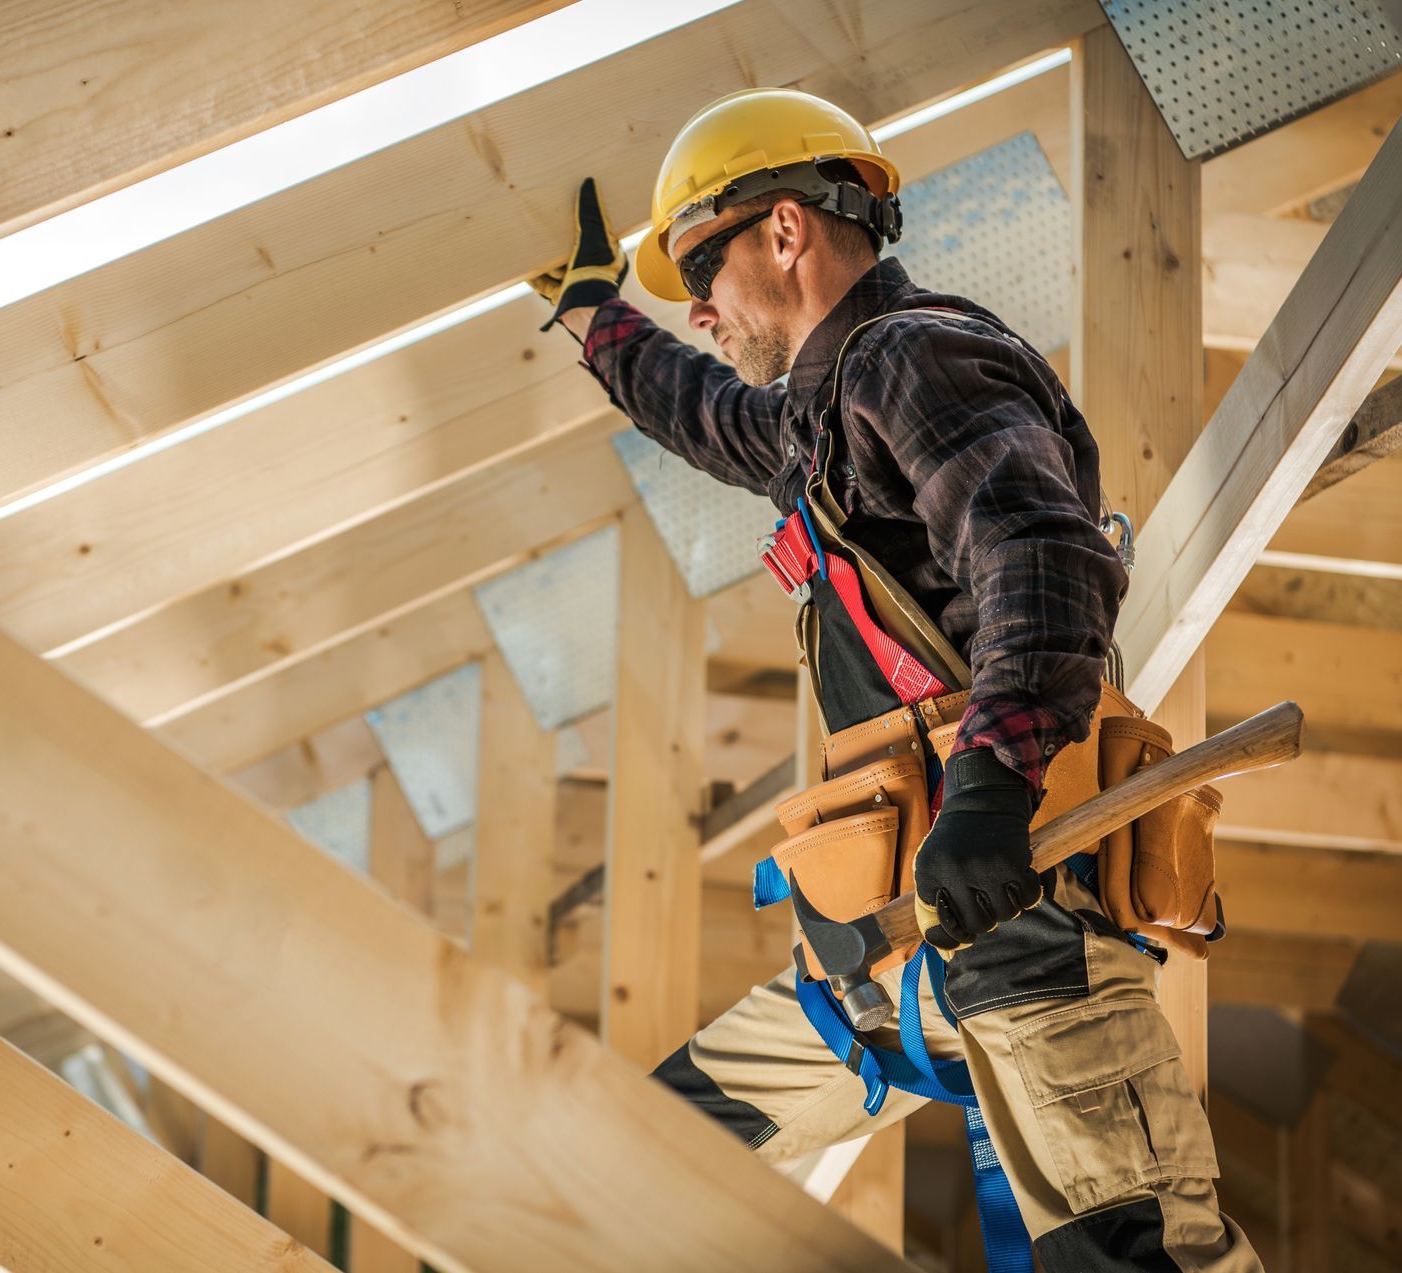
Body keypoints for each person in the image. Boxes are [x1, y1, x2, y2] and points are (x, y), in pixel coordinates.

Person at [531, 88, 1258, 1270]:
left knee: (1137, 1258)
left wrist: (988, 789)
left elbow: (1042, 555)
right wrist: (590, 318)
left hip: (1024, 932)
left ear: (784, 231)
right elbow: (707, 415)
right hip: (889, 960)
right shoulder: (818, 417)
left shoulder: (917, 357)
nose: (701, 308)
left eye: (700, 267)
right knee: (633, 1155)